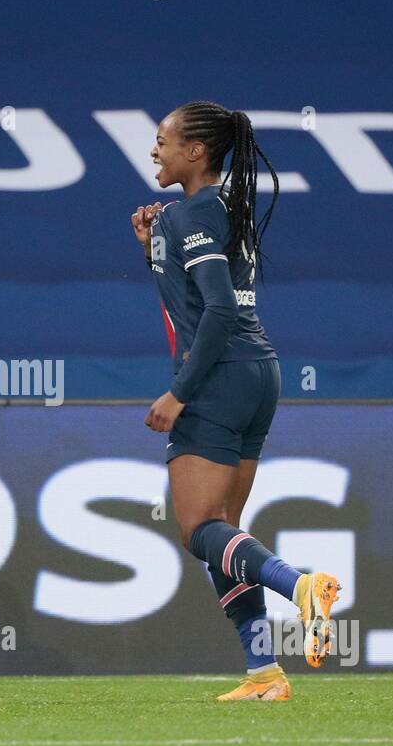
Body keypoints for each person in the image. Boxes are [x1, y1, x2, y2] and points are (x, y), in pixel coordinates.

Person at [132, 102, 340, 702]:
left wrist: (179, 392)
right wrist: (154, 247)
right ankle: (264, 673)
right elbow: (196, 299)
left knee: (199, 530)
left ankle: (301, 587)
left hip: (218, 378)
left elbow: (218, 310)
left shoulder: (195, 211)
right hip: (258, 373)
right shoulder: (217, 208)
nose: (155, 151)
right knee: (226, 535)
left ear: (195, 150)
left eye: (163, 141)